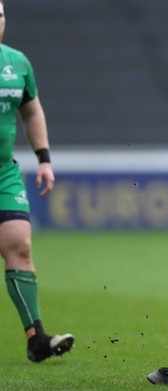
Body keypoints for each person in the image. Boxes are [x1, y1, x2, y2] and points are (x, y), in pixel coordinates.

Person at [0, 1, 74, 362]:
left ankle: (36, 338)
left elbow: (31, 110)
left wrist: (43, 159)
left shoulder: (17, 63)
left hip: (3, 171)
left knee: (20, 247)